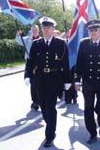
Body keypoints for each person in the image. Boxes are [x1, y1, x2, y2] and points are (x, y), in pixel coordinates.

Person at [25, 16, 71, 148]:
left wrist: (67, 80)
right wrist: (27, 75)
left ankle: (50, 135)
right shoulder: (36, 44)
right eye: (44, 28)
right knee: (43, 107)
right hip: (39, 79)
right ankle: (50, 124)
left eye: (48, 28)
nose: (46, 30)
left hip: (54, 79)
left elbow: (65, 63)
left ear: (53, 29)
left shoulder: (61, 44)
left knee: (50, 108)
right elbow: (30, 61)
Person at [15, 25, 40, 111]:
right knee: (33, 84)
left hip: (40, 64)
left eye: (36, 30)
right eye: (33, 30)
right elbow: (19, 41)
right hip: (30, 63)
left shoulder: (42, 39)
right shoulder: (28, 39)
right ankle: (35, 101)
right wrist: (18, 35)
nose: (34, 31)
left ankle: (40, 99)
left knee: (39, 84)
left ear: (38, 31)